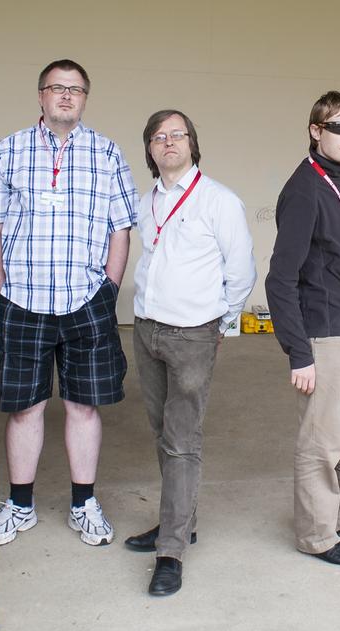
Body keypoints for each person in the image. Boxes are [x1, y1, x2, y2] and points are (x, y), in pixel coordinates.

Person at [0, 59, 137, 546]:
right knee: (24, 407)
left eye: (76, 89)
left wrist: (109, 287)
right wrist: (0, 287)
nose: (66, 96)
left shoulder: (107, 153)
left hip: (86, 299)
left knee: (84, 406)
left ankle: (84, 503)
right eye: (57, 88)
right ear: (40, 96)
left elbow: (121, 226)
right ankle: (19, 505)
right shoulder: (11, 150)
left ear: (85, 98)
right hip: (23, 299)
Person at [123, 109, 256, 595]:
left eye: (177, 134)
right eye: (159, 137)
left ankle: (172, 550)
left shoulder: (219, 201)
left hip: (192, 335)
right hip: (147, 329)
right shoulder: (145, 201)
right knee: (163, 433)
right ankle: (179, 519)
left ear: (192, 144)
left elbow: (241, 271)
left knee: (182, 440)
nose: (168, 142)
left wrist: (222, 323)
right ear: (150, 150)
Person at [265, 91, 340, 566]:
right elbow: (280, 278)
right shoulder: (304, 189)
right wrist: (298, 352)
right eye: (339, 128)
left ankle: (337, 512)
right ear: (316, 131)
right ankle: (317, 535)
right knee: (322, 439)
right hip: (320, 331)